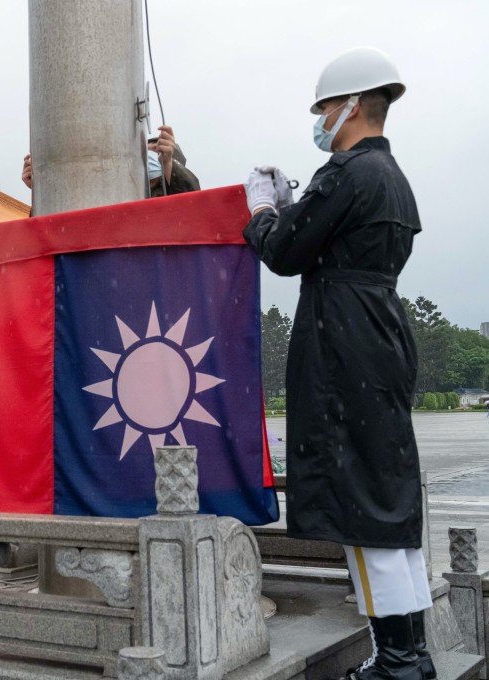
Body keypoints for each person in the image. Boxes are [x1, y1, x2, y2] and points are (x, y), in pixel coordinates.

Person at [242, 47, 432, 680]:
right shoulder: (391, 175)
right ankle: (413, 653)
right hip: (379, 330)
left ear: (350, 106)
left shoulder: (347, 172)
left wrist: (265, 211)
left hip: (345, 337)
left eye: (323, 106)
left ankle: (397, 664)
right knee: (388, 500)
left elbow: (287, 253)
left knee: (366, 509)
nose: (320, 117)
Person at [21, 125, 200, 198]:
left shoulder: (171, 196)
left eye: (157, 151)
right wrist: (41, 191)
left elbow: (194, 207)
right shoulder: (119, 192)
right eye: (146, 150)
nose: (150, 156)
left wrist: (168, 163)